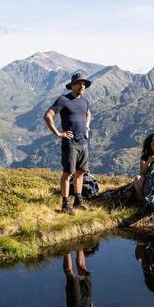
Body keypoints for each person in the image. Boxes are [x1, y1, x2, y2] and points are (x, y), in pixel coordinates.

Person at [43, 73, 92, 215]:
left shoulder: (84, 101)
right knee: (68, 173)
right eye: (79, 83)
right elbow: (48, 116)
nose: (82, 86)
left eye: (84, 84)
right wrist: (58, 133)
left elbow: (88, 113)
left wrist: (87, 126)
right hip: (70, 143)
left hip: (83, 142)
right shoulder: (63, 100)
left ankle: (78, 200)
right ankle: (65, 204)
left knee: (81, 172)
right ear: (72, 85)